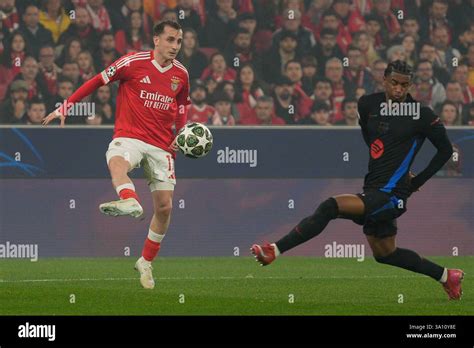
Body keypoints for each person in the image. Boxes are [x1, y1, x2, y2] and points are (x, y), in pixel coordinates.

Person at [251, 60, 464, 301]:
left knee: (330, 206)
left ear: (410, 85)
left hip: (392, 196)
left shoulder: (421, 115)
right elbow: (371, 136)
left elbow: (446, 151)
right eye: (394, 83)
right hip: (373, 187)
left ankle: (274, 250)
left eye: (404, 85)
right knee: (386, 254)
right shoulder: (368, 104)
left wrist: (416, 183)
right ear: (384, 79)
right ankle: (448, 276)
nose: (398, 89)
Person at [42, 21, 191, 290]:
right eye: (170, 40)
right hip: (130, 135)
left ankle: (145, 261)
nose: (175, 46)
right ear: (156, 40)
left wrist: (180, 134)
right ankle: (129, 199)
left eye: (178, 42)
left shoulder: (181, 74)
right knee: (118, 160)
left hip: (161, 144)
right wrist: (66, 106)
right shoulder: (131, 62)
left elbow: (181, 105)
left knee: (165, 207)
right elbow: (96, 81)